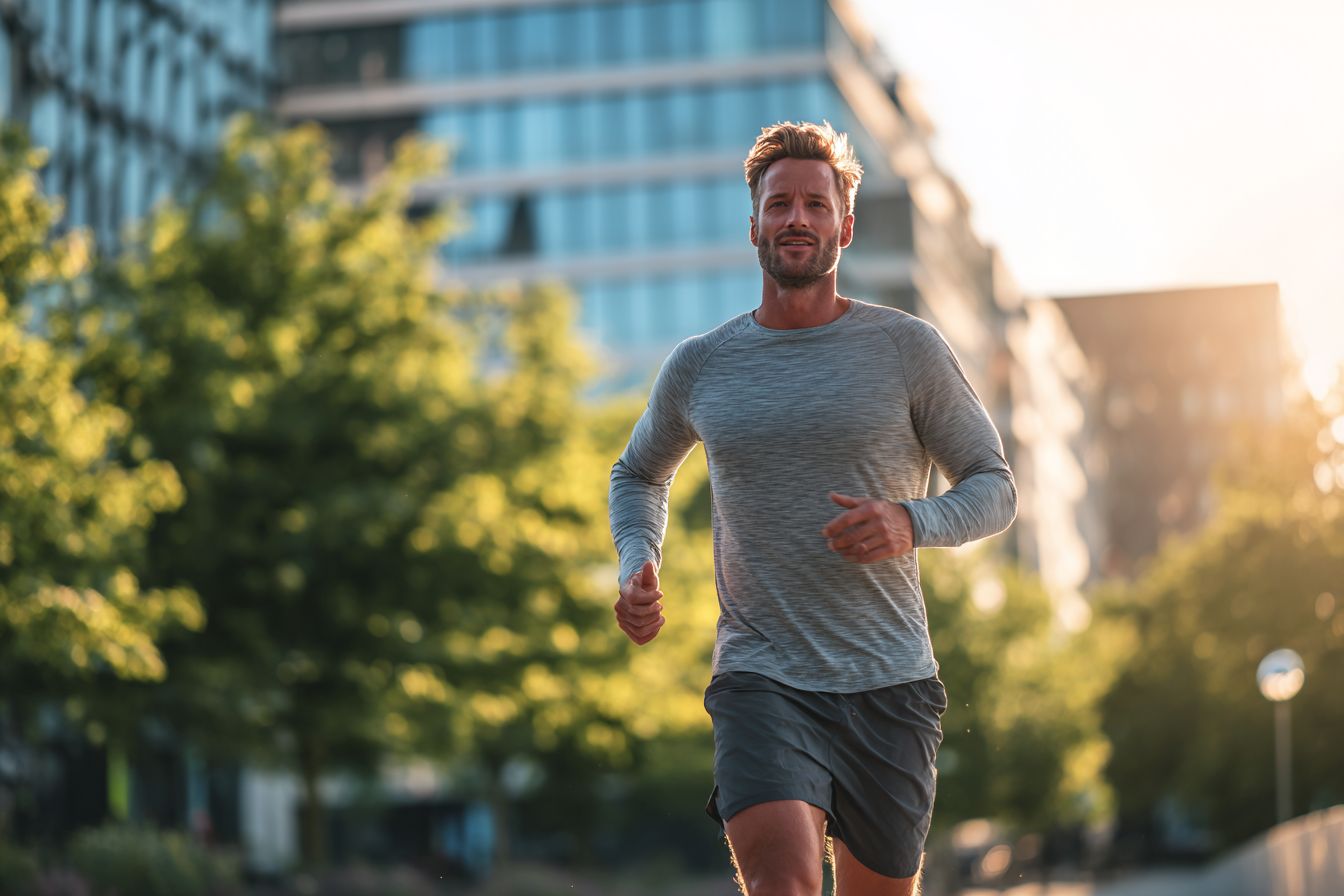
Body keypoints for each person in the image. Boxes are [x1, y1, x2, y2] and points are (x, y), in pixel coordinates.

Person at [608, 121, 1017, 896]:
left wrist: (910, 520)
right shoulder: (702, 364)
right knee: (784, 886)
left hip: (888, 681)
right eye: (780, 203)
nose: (797, 218)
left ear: (845, 225)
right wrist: (638, 559)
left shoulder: (907, 348)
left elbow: (994, 487)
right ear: (754, 223)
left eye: (815, 205)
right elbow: (636, 474)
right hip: (762, 676)